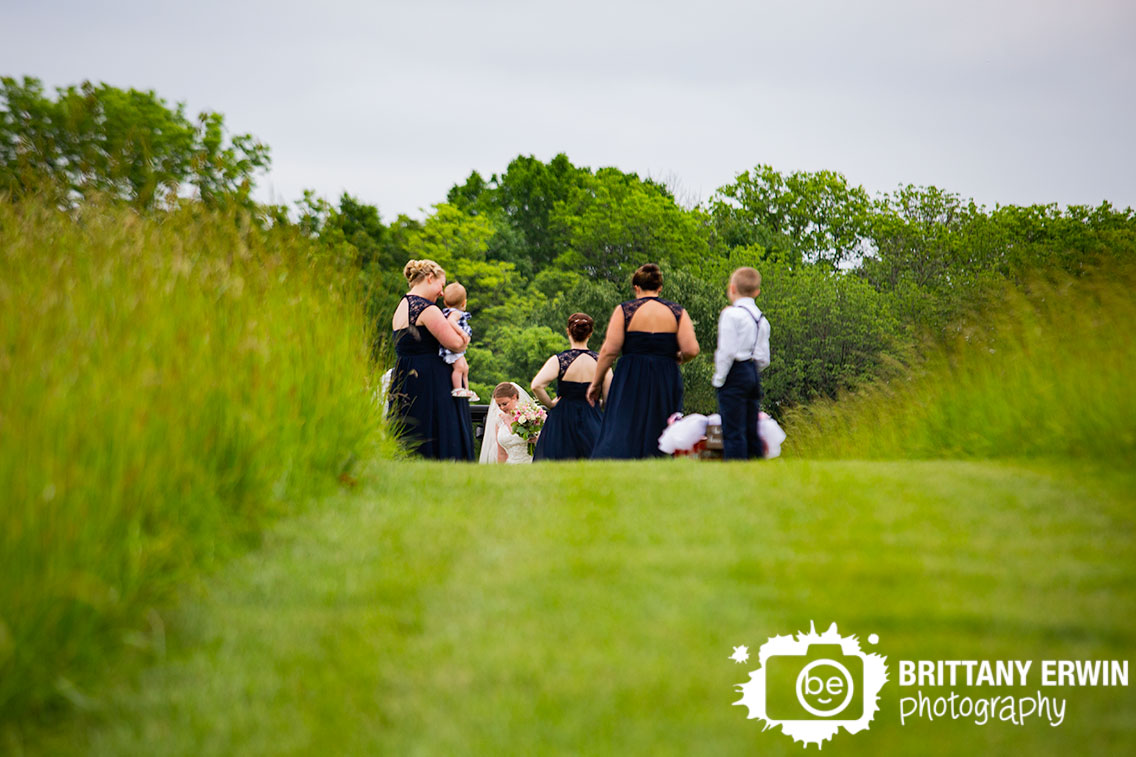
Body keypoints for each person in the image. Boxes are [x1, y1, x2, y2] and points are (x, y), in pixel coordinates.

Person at [588, 263, 700, 459]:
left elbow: (609, 351)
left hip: (631, 374)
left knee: (624, 422)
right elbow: (691, 349)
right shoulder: (677, 311)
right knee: (662, 420)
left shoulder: (625, 310)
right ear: (659, 288)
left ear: (636, 287)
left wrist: (596, 383)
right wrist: (678, 358)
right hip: (665, 373)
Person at [388, 259, 474, 460]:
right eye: (441, 286)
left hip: (405, 378)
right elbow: (455, 343)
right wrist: (465, 338)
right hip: (431, 383)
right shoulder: (427, 309)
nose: (442, 293)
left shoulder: (402, 305)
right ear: (429, 278)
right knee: (437, 435)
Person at [530, 313, 612, 460]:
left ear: (568, 331)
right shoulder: (601, 362)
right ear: (590, 333)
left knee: (558, 462)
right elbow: (609, 397)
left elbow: (536, 385)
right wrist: (599, 403)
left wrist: (550, 404)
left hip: (562, 418)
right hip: (591, 416)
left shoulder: (559, 360)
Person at [713, 266, 771, 460]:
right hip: (752, 371)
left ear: (732, 288)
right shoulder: (761, 319)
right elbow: (764, 357)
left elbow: (726, 351)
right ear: (757, 292)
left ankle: (736, 470)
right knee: (750, 427)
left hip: (735, 372)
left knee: (733, 430)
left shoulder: (731, 314)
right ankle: (756, 466)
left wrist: (720, 378)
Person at [479, 382, 535, 464]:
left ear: (514, 397)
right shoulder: (499, 420)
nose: (502, 408)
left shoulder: (531, 415)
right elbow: (501, 453)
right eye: (499, 405)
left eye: (505, 404)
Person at [439, 282, 477, 400]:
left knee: (465, 367)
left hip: (455, 348)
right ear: (464, 302)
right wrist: (461, 332)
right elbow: (451, 321)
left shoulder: (450, 312)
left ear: (445, 302)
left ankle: (465, 389)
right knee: (459, 367)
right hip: (451, 349)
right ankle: (457, 389)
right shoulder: (454, 313)